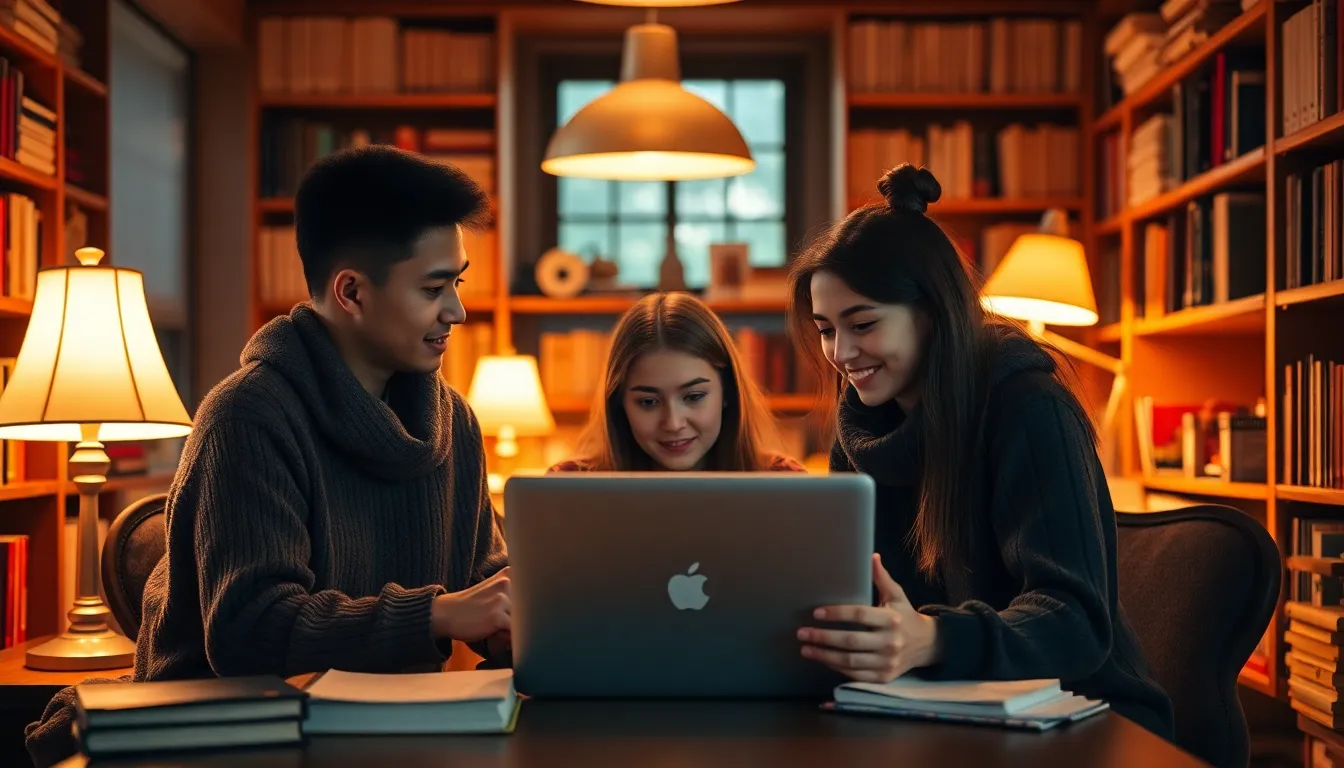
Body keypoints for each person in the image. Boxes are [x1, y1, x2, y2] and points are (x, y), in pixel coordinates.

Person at [25, 145, 511, 767]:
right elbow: (251, 630)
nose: (458, 311)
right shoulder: (247, 416)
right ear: (352, 292)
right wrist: (437, 614)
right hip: (229, 737)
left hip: (389, 731)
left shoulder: (456, 424)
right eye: (434, 288)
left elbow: (481, 582)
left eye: (458, 283)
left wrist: (516, 618)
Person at [788, 163, 1175, 741]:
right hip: (938, 710)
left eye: (862, 324)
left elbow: (1075, 623)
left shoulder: (1029, 408)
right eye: (824, 329)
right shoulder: (860, 431)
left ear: (933, 312)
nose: (840, 353)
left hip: (1084, 716)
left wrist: (933, 638)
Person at [549, 291, 805, 473]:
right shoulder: (567, 485)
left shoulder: (783, 481)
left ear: (727, 391)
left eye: (693, 397)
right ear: (619, 404)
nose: (673, 423)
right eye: (648, 402)